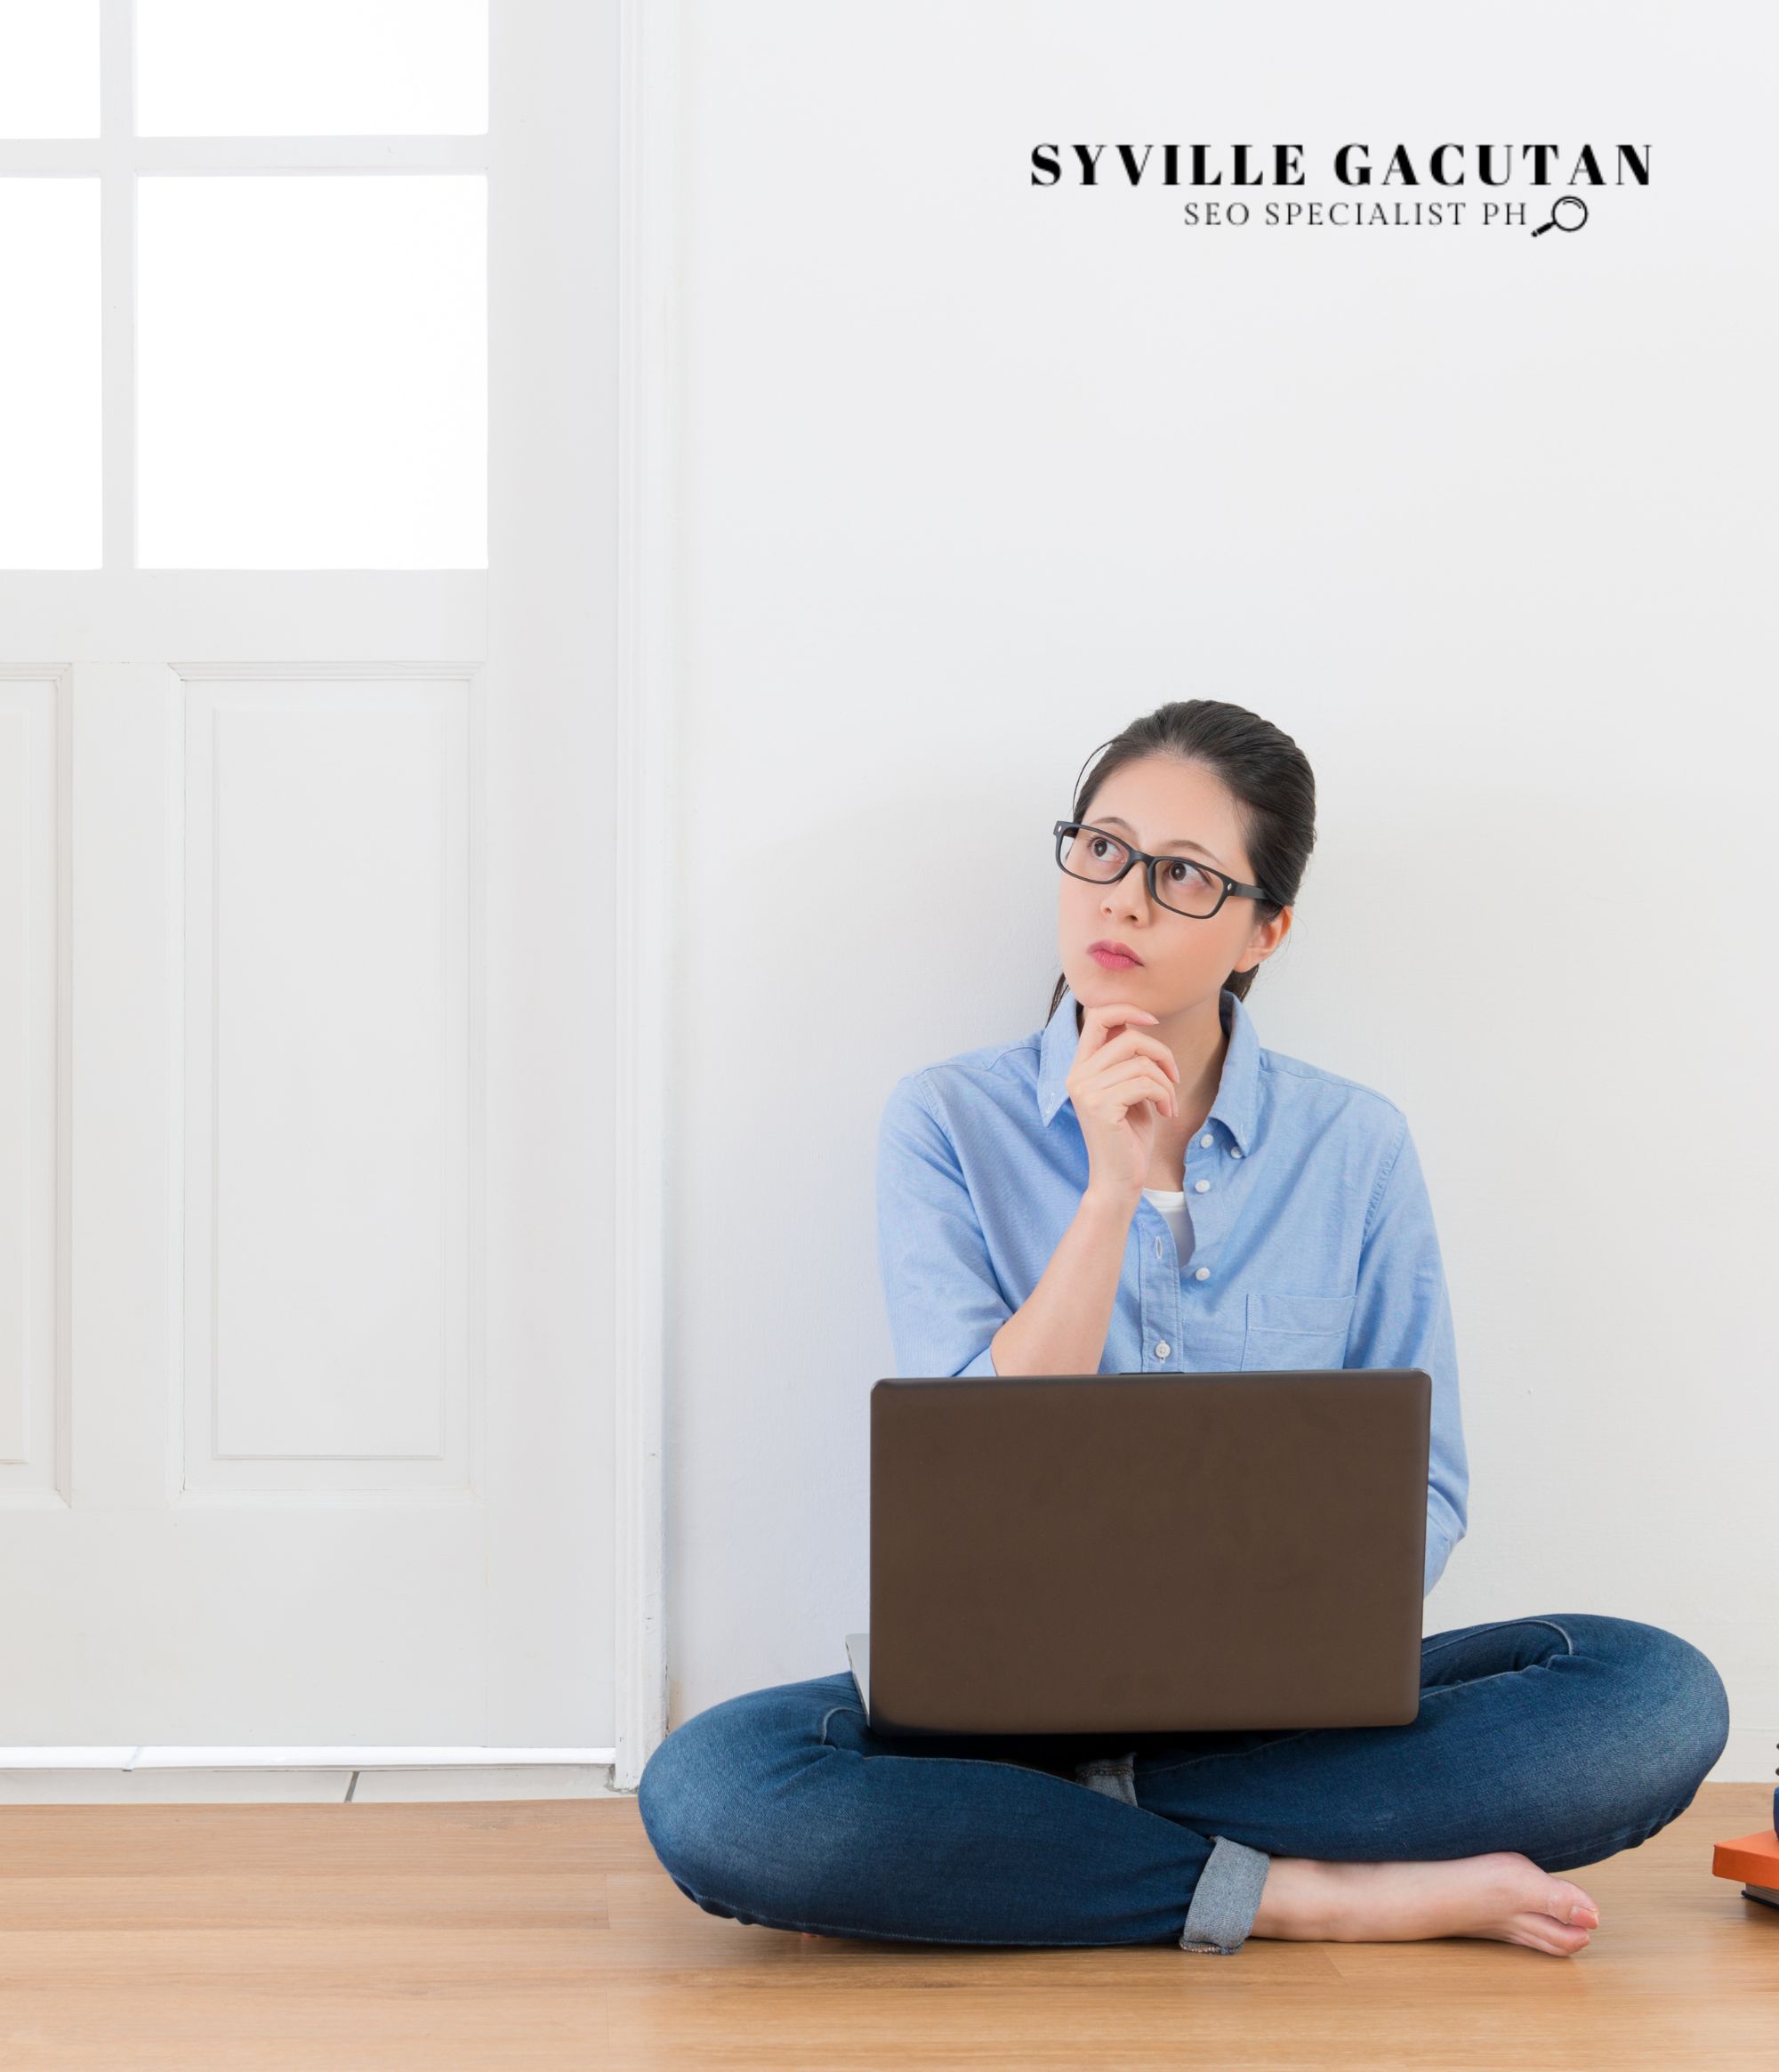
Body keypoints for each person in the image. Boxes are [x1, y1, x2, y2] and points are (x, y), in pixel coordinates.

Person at [637, 697, 1729, 1957]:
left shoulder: (1354, 1144)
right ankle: (1303, 1891)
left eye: (1184, 875)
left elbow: (1422, 1485)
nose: (1125, 899)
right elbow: (970, 1472)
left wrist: (1289, 1643)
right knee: (717, 1791)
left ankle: (1043, 1839)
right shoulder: (945, 1119)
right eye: (1101, 848)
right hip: (1001, 1710)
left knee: (1651, 1693)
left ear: (1266, 927)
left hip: (1291, 1719)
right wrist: (1106, 1191)